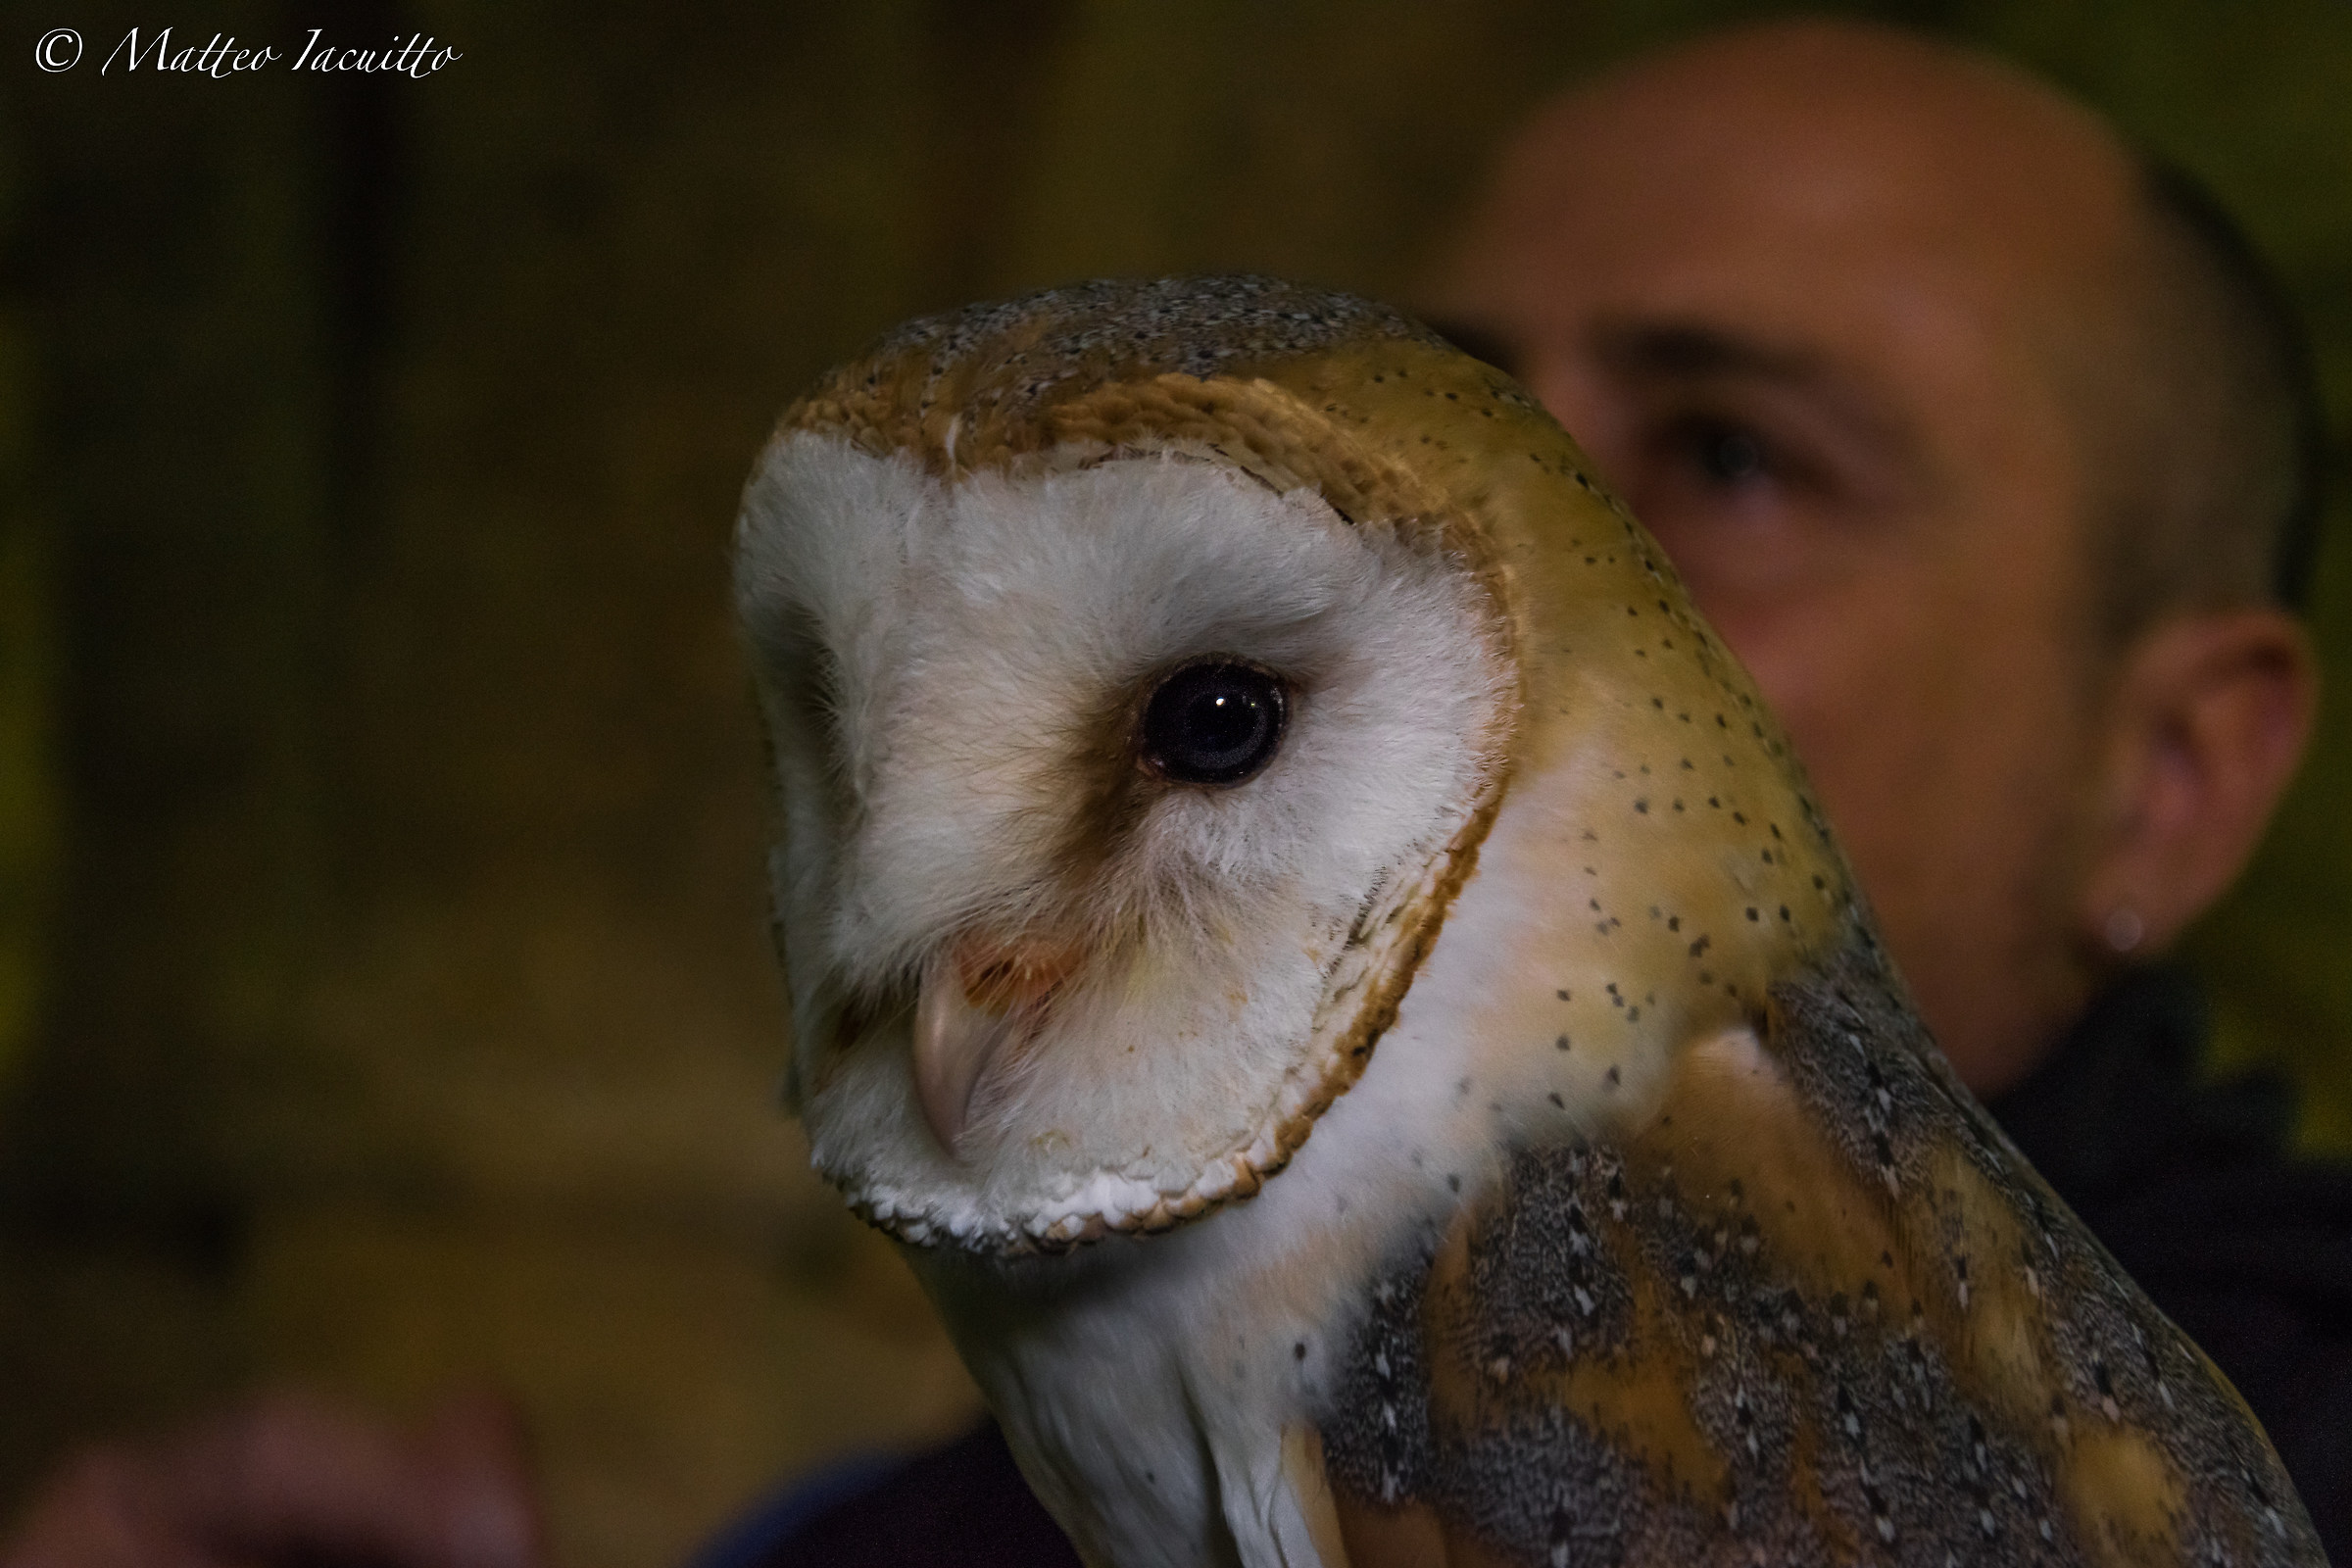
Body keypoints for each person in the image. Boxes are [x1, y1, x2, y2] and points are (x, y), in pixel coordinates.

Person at [9, 18, 2343, 1566]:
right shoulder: (963, 1485)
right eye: (1452, 405)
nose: (1554, 537)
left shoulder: (1766, 1353)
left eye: (1728, 458)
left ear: (2175, 776)